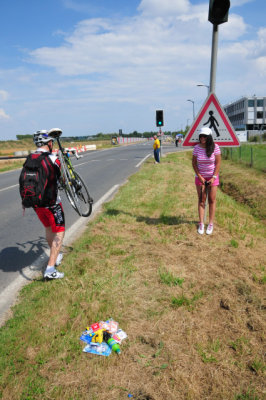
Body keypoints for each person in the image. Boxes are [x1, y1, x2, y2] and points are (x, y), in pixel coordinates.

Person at [32, 130, 65, 279]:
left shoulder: (30, 158)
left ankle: (56, 257)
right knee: (59, 231)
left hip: (36, 204)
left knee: (48, 228)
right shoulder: (52, 158)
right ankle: (50, 269)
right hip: (52, 203)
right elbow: (63, 178)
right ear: (49, 143)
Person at [192, 127, 221, 235]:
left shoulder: (216, 148)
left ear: (209, 137)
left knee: (212, 200)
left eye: (205, 136)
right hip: (200, 177)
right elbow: (194, 163)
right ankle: (201, 223)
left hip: (213, 177)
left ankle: (211, 224)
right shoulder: (196, 148)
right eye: (201, 136)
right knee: (201, 200)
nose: (202, 138)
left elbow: (218, 163)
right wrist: (199, 176)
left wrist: (213, 177)